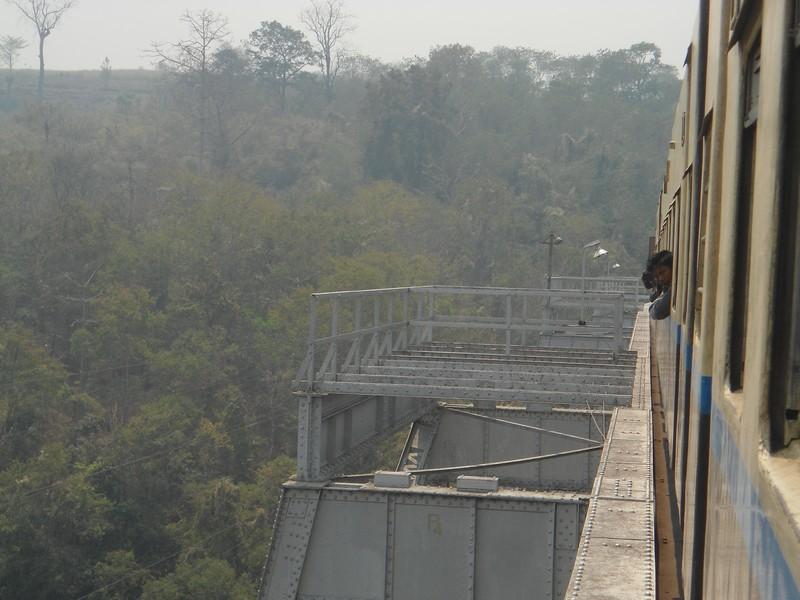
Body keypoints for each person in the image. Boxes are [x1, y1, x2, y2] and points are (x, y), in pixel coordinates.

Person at [643, 250, 673, 320]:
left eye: (663, 272)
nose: (661, 278)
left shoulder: (675, 287)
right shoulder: (666, 286)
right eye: (657, 277)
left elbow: (658, 312)